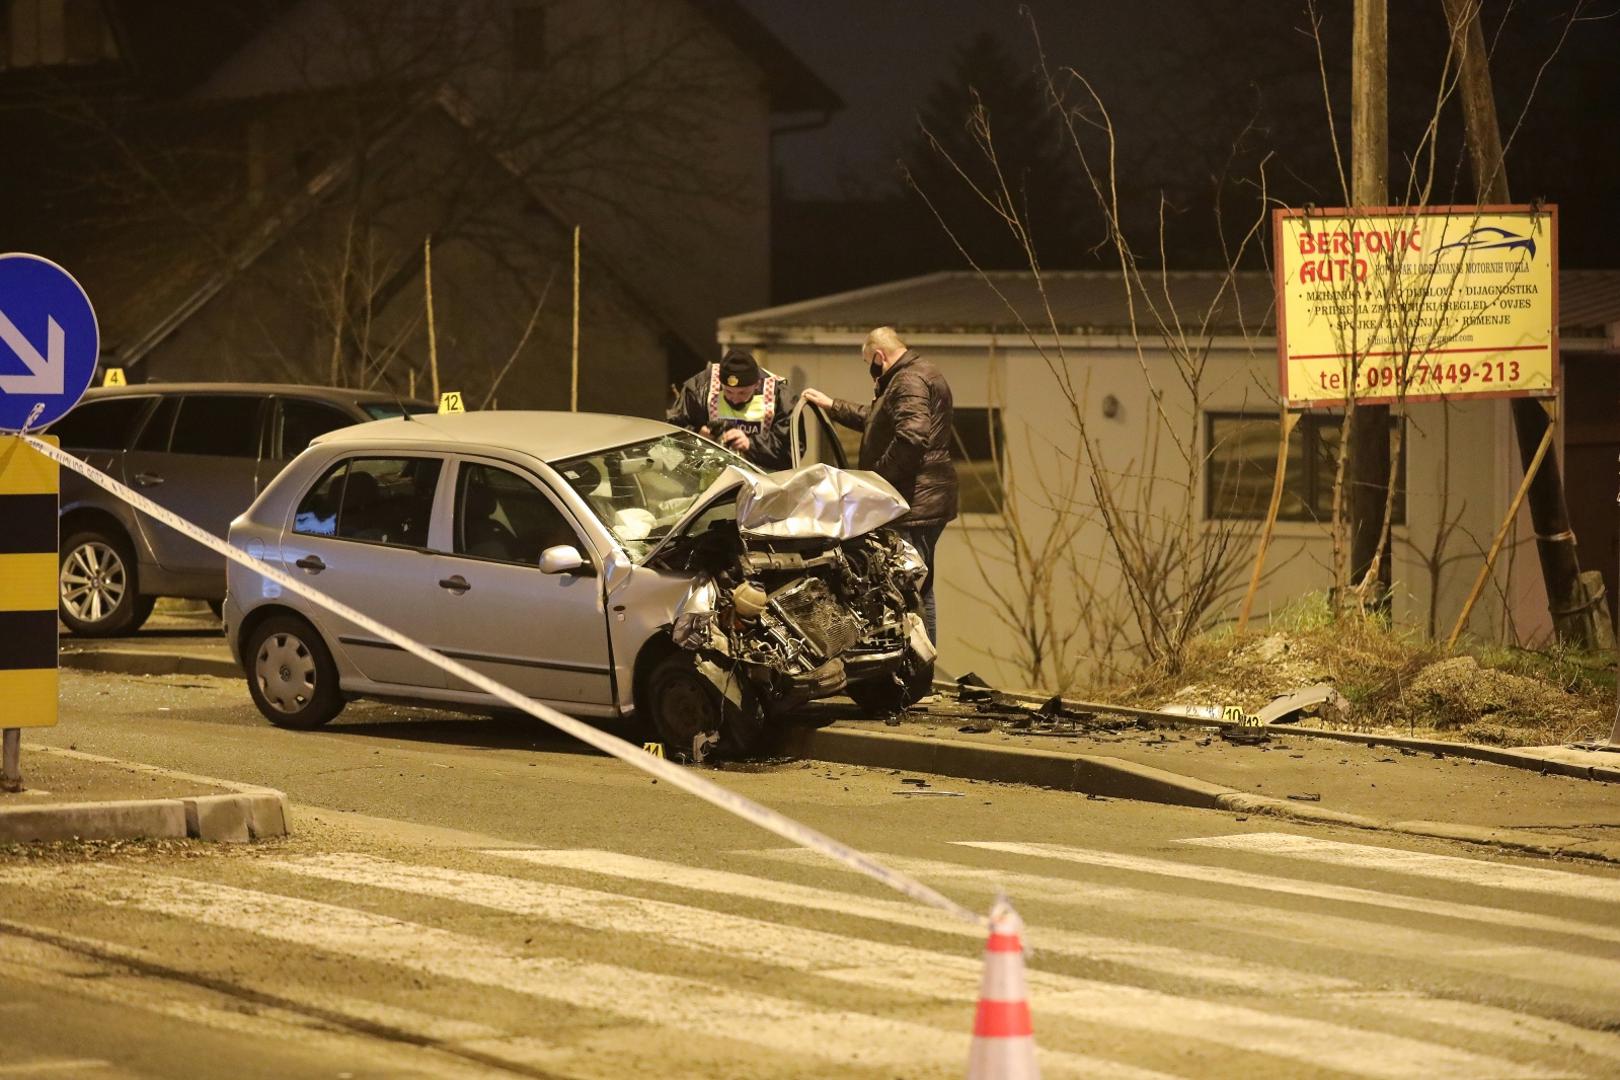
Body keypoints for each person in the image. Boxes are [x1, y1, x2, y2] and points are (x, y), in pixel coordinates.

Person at [802, 326, 957, 642]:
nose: (869, 370)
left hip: (914, 502)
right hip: (924, 499)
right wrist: (833, 406)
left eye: (867, 362)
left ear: (878, 356)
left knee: (911, 591)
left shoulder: (908, 381)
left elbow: (912, 437)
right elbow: (877, 420)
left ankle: (918, 675)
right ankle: (919, 673)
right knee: (918, 586)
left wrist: (877, 482)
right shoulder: (916, 374)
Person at [666, 348, 794, 470]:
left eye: (743, 393)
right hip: (710, 478)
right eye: (728, 391)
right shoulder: (702, 388)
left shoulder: (777, 394)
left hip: (760, 480)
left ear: (757, 384)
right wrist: (697, 435)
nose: (734, 398)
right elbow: (672, 432)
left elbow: (791, 451)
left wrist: (751, 445)